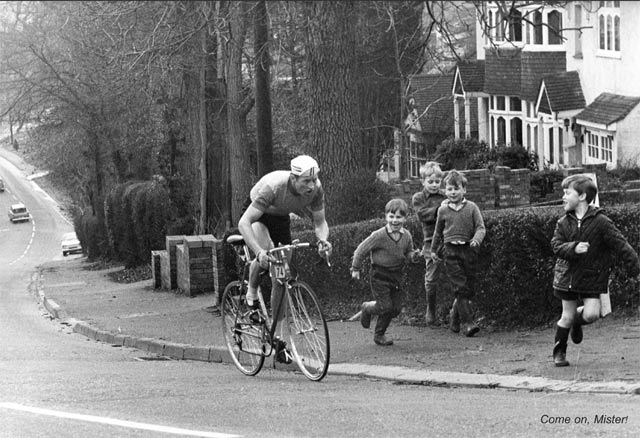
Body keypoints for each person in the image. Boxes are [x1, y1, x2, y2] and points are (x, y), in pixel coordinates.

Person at [237, 154, 333, 363]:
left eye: (314, 179)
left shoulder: (316, 190)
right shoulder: (274, 187)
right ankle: (251, 294)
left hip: (280, 216)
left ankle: (276, 335)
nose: (311, 185)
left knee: (281, 272)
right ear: (293, 178)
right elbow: (244, 223)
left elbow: (320, 222)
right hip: (258, 214)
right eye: (306, 181)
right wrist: (259, 251)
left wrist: (323, 239)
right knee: (267, 252)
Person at [550, 174, 640, 367]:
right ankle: (559, 352)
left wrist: (636, 266)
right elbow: (556, 245)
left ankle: (577, 322)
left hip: (592, 277)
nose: (563, 197)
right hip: (568, 277)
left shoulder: (602, 222)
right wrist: (573, 247)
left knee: (591, 314)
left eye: (567, 193)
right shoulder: (563, 222)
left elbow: (621, 245)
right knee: (566, 315)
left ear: (582, 196)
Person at [351, 198, 420, 346]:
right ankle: (370, 314)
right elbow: (360, 250)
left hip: (396, 275)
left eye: (399, 217)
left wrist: (414, 256)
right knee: (385, 306)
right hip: (379, 274)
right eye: (391, 216)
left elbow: (408, 253)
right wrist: (355, 268)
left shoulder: (407, 235)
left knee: (395, 309)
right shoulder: (379, 235)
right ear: (386, 217)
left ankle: (373, 318)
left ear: (405, 218)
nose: (395, 220)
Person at [431, 169, 485, 337]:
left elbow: (480, 227)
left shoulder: (472, 207)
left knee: (468, 289)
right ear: (444, 191)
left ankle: (454, 316)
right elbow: (437, 232)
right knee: (460, 288)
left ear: (464, 190)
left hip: (468, 250)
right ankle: (468, 323)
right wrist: (433, 250)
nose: (452, 192)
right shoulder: (443, 210)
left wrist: (476, 239)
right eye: (449, 189)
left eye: (456, 189)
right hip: (450, 251)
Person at [411, 161, 447, 326]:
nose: (434, 185)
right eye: (430, 181)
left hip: (447, 241)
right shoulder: (418, 198)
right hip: (430, 243)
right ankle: (430, 308)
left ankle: (455, 312)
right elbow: (423, 215)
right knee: (431, 279)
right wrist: (441, 209)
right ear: (423, 181)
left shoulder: (446, 196)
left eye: (437, 182)